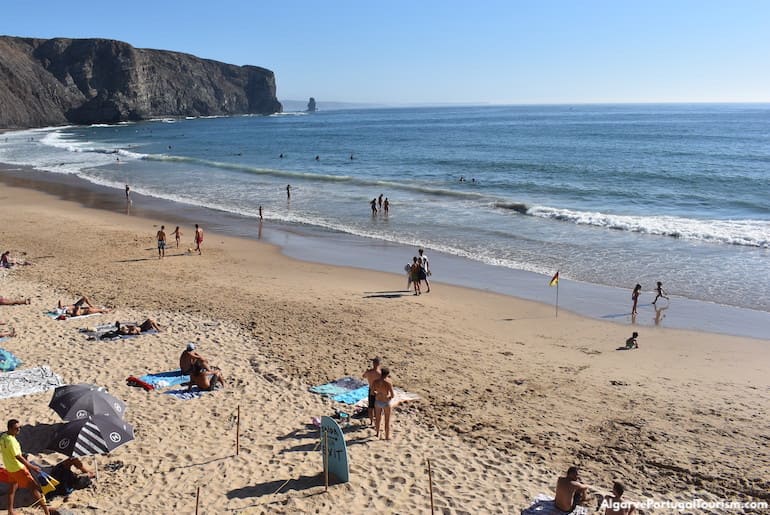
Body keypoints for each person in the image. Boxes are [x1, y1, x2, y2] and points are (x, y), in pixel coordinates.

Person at [0, 419, 51, 515]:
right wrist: (31, 466)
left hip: (10, 468)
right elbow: (18, 457)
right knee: (35, 488)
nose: (19, 430)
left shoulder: (3, 436)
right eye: (16, 428)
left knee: (12, 489)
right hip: (18, 468)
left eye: (20, 427)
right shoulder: (11, 441)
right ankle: (47, 512)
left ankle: (10, 511)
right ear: (10, 429)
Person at [372, 368, 395, 440]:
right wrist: (389, 397)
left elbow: (373, 392)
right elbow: (392, 395)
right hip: (385, 402)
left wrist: (378, 394)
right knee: (387, 420)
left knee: (378, 419)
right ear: (387, 374)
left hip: (378, 401)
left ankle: (377, 433)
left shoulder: (375, 381)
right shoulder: (388, 382)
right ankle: (387, 436)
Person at [362, 357, 382, 426]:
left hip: (371, 390)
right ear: (379, 364)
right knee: (378, 408)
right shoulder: (380, 373)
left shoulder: (369, 372)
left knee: (370, 407)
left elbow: (363, 376)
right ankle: (377, 422)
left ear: (373, 364)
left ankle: (371, 422)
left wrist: (367, 372)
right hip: (378, 391)